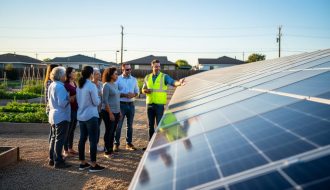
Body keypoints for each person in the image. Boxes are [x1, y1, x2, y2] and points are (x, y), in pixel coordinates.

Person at [142, 59, 185, 148]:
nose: (157, 68)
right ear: (152, 66)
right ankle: (150, 145)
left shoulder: (164, 77)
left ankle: (159, 145)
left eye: (159, 66)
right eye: (156, 66)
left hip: (159, 106)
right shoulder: (147, 77)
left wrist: (179, 83)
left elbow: (173, 82)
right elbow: (143, 89)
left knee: (159, 126)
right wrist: (145, 90)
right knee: (150, 126)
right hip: (149, 105)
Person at [76, 66, 105, 172]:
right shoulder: (91, 86)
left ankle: (82, 163)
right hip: (91, 115)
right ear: (91, 74)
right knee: (93, 140)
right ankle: (93, 164)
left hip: (81, 115)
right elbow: (96, 102)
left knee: (82, 139)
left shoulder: (79, 85)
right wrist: (99, 96)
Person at [47, 66, 71, 169]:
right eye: (64, 74)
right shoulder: (61, 87)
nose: (66, 76)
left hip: (53, 114)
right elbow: (62, 103)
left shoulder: (52, 85)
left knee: (53, 138)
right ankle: (59, 161)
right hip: (61, 115)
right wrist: (70, 99)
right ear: (61, 75)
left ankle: (52, 159)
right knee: (59, 139)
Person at [114, 63, 139, 151]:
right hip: (121, 104)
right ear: (122, 70)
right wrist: (124, 94)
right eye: (127, 69)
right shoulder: (118, 79)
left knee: (130, 126)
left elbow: (137, 92)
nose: (129, 71)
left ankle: (128, 144)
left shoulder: (134, 80)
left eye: (130, 69)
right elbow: (115, 93)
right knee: (119, 125)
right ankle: (116, 144)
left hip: (131, 105)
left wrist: (133, 94)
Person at [101, 67, 121, 159]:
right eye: (115, 74)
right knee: (109, 131)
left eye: (117, 73)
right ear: (110, 75)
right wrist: (110, 113)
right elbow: (105, 101)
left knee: (113, 131)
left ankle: (111, 150)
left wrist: (119, 111)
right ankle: (107, 152)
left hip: (116, 112)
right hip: (109, 112)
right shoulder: (106, 85)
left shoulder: (115, 84)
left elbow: (117, 99)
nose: (117, 75)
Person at [63, 67, 78, 157]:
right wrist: (78, 93)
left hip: (75, 108)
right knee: (68, 130)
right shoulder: (66, 85)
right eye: (73, 72)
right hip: (69, 109)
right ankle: (65, 150)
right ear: (69, 74)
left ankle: (70, 147)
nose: (75, 73)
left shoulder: (74, 83)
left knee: (72, 129)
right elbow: (69, 98)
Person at [92, 68, 104, 152]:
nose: (99, 75)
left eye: (99, 73)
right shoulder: (90, 84)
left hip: (100, 109)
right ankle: (92, 146)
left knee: (98, 128)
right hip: (92, 110)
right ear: (92, 75)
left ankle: (95, 145)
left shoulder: (101, 84)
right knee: (93, 129)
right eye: (97, 74)